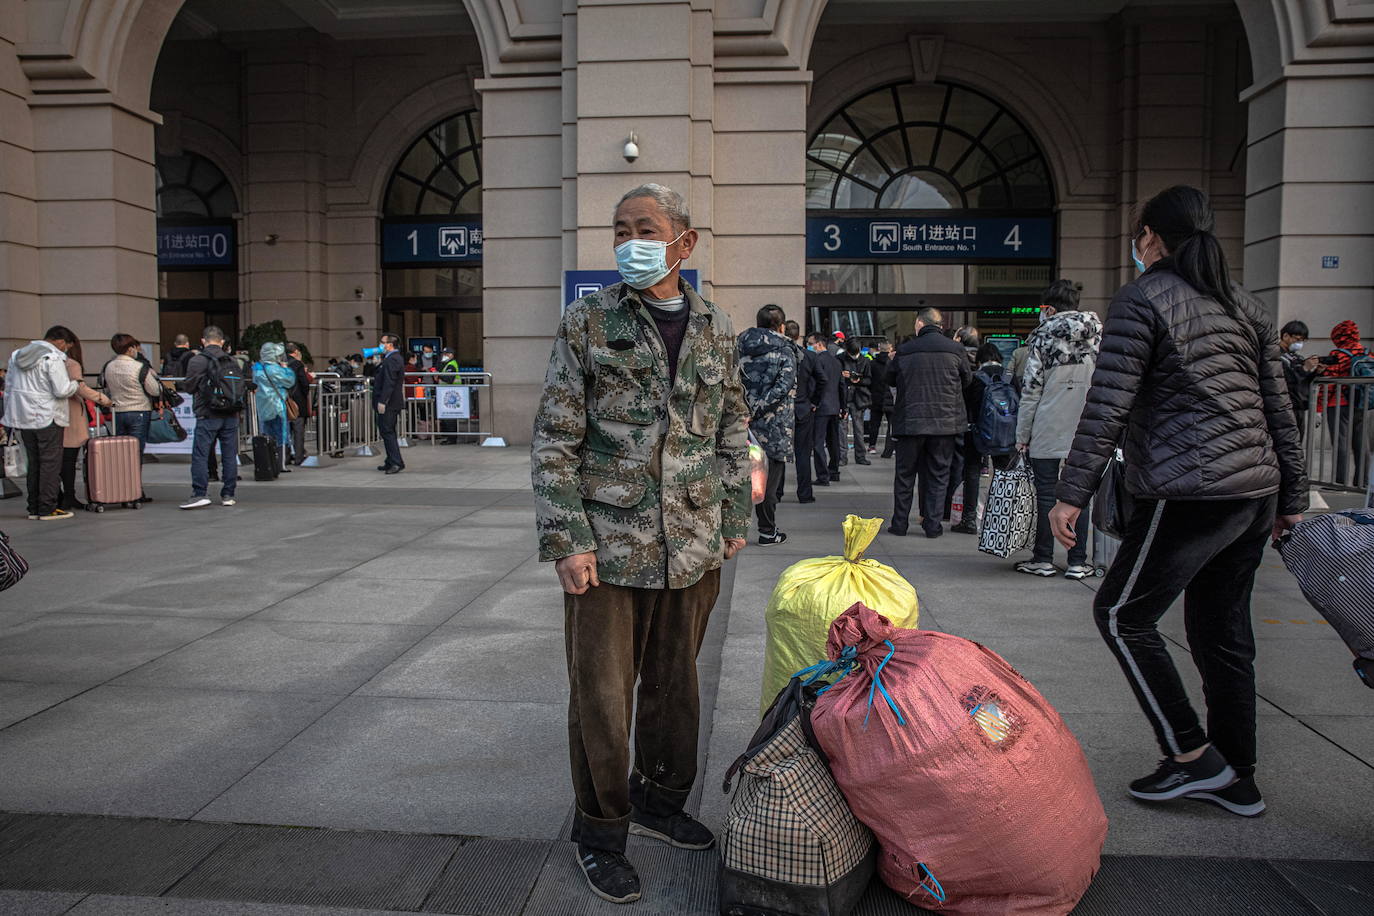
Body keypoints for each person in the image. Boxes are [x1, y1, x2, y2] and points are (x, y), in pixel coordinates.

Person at [1049, 185, 1306, 818]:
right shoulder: (1244, 303)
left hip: (1188, 489)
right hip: (1252, 491)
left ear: (1151, 239)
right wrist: (1292, 495)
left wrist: (1069, 494)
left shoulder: (1143, 300)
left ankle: (1192, 755)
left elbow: (1108, 405)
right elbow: (1280, 407)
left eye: (1139, 236)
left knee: (1121, 615)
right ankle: (1237, 776)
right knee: (1222, 632)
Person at [531, 183, 749, 906]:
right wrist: (567, 538)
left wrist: (732, 522)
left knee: (675, 691)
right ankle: (601, 832)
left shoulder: (717, 326)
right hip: (608, 548)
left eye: (645, 228)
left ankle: (660, 802)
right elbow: (556, 437)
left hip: (692, 545)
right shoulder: (588, 321)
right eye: (620, 229)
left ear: (684, 243)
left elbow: (730, 430)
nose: (630, 241)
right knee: (600, 696)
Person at [1011, 283, 1103, 575]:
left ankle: (1043, 559)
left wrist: (1022, 436)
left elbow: (1031, 391)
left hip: (1047, 426)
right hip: (1088, 428)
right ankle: (1077, 562)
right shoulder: (1097, 336)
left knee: (1047, 495)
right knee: (1080, 495)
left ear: (1048, 308)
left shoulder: (1042, 338)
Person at [886, 307, 972, 538]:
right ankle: (933, 525)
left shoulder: (905, 350)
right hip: (944, 424)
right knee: (939, 474)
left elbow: (890, 378)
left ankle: (900, 523)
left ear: (920, 324)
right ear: (940, 325)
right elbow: (967, 380)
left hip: (910, 422)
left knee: (905, 475)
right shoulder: (955, 349)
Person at [2, 326, 83, 520]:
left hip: (23, 416)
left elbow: (10, 385)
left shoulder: (16, 356)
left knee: (34, 462)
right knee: (50, 463)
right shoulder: (52, 358)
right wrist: (75, 384)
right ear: (61, 341)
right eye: (67, 346)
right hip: (49, 416)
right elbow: (62, 390)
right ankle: (48, 507)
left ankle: (34, 507)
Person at [738, 304, 797, 545]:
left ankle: (733, 530)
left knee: (740, 478)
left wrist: (745, 410)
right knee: (769, 483)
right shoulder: (786, 350)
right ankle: (767, 531)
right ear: (780, 326)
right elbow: (782, 389)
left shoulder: (739, 347)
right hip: (774, 428)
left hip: (740, 425)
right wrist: (757, 409)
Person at [179, 326, 250, 509]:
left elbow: (189, 387)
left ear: (203, 341)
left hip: (207, 412)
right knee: (229, 454)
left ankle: (200, 493)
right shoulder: (233, 361)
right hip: (231, 413)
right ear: (222, 341)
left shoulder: (197, 360)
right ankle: (228, 494)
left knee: (201, 454)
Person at [104, 333, 163, 503]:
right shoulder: (139, 367)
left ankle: (121, 490)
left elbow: (106, 388)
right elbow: (154, 390)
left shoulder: (109, 366)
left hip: (117, 412)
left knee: (120, 454)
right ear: (130, 349)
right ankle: (135, 491)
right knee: (135, 453)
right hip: (138, 411)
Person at [58, 335, 113, 510]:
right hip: (71, 414)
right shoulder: (71, 364)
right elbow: (80, 388)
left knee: (50, 460)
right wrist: (103, 399)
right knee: (68, 459)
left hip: (52, 415)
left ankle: (54, 496)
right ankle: (68, 495)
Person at [1318, 320, 1368, 486]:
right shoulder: (1366, 354)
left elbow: (1329, 383)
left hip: (1338, 403)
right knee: (1361, 442)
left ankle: (1339, 482)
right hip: (1361, 403)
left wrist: (1319, 406)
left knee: (1341, 442)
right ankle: (1363, 481)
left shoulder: (1337, 355)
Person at [786, 320, 819, 503]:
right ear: (799, 336)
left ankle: (776, 493)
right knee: (803, 454)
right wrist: (813, 401)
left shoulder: (779, 354)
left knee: (778, 455)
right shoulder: (809, 356)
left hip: (784, 409)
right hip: (803, 408)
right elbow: (822, 380)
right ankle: (805, 493)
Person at [252, 343, 297, 473]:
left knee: (266, 434)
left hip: (262, 405)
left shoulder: (257, 368)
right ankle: (280, 464)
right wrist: (286, 368)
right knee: (281, 435)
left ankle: (267, 463)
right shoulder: (275, 369)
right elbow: (290, 380)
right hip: (277, 405)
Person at [806, 332, 845, 486]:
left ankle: (823, 475)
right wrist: (843, 405)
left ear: (819, 344)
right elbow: (842, 386)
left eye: (811, 343)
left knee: (818, 442)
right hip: (834, 406)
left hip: (821, 406)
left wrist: (813, 402)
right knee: (833, 441)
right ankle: (834, 470)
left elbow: (814, 384)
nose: (810, 346)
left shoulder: (817, 361)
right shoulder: (836, 362)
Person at [1277, 321, 1320, 441]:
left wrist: (1316, 371)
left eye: (1302, 341)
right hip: (1284, 407)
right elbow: (1287, 379)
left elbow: (1304, 381)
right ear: (1285, 336)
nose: (1299, 343)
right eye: (1297, 339)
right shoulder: (1275, 355)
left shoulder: (1296, 357)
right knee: (1287, 444)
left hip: (1298, 406)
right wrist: (1305, 368)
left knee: (1297, 444)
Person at [374, 334, 405, 474]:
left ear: (390, 345)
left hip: (390, 403)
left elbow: (389, 382)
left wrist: (383, 401)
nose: (381, 345)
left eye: (383, 343)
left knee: (388, 431)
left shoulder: (393, 359)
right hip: (390, 402)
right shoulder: (390, 358)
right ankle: (390, 460)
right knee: (387, 431)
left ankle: (396, 462)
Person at [838, 339, 872, 466]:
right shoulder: (840, 359)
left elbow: (869, 380)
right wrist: (842, 375)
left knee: (859, 429)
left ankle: (860, 455)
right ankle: (842, 456)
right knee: (842, 429)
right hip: (844, 397)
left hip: (858, 398)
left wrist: (857, 378)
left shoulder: (865, 361)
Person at [866, 339, 895, 457]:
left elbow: (869, 380)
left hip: (876, 397)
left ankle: (872, 445)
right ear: (890, 349)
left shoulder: (872, 363)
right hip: (890, 397)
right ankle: (890, 448)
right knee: (891, 425)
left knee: (875, 423)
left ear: (879, 348)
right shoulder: (893, 362)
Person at [284, 343, 311, 465]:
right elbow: (304, 383)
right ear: (295, 351)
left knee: (285, 431)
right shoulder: (297, 364)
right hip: (297, 401)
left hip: (283, 400)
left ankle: (286, 456)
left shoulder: (280, 364)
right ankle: (299, 457)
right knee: (298, 431)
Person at [436, 346, 461, 444]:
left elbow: (449, 379)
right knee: (448, 417)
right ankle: (450, 437)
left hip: (452, 394)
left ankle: (452, 438)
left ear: (451, 355)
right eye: (443, 354)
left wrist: (439, 375)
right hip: (447, 394)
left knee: (450, 418)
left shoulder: (451, 365)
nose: (444, 356)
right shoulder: (447, 364)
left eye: (446, 354)